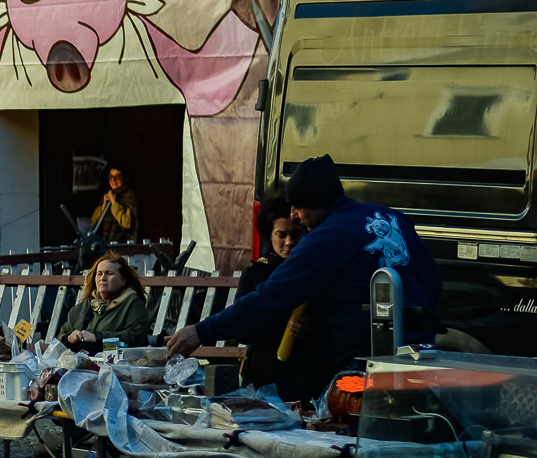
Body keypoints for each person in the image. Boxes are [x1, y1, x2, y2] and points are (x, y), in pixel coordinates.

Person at [168, 156, 443, 396]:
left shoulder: (326, 238)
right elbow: (433, 279)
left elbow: (269, 298)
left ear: (316, 204)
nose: (294, 215)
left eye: (297, 206)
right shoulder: (392, 217)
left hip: (369, 363)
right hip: (423, 355)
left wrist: (202, 331)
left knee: (366, 442)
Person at [234, 199, 325, 394]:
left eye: (296, 234)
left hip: (309, 375)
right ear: (270, 236)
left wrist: (311, 327)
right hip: (264, 375)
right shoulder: (255, 275)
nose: (289, 242)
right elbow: (241, 330)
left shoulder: (319, 273)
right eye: (281, 235)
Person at [60, 251, 153, 350]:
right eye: (99, 274)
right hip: (79, 362)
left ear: (123, 280)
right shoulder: (83, 307)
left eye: (109, 273)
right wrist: (70, 338)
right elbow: (60, 338)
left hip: (116, 362)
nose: (103, 278)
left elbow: (136, 337)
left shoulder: (132, 304)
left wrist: (98, 337)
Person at [89, 164, 140, 246]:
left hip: (123, 245)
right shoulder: (107, 194)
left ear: (124, 178)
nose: (113, 179)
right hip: (106, 244)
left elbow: (127, 223)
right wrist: (104, 205)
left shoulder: (129, 195)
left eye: (117, 176)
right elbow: (94, 221)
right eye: (111, 176)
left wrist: (113, 202)